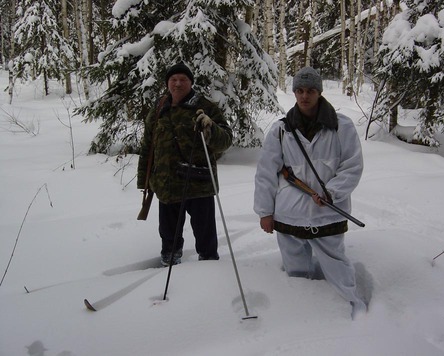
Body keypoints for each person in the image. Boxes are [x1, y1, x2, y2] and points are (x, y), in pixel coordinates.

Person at [253, 67, 367, 319]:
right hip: (288, 215)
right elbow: (265, 174)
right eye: (300, 91)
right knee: (295, 268)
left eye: (311, 90)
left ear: (319, 92)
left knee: (336, 263)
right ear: (294, 92)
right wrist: (265, 212)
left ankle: (353, 304)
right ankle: (302, 315)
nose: (305, 96)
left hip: (328, 214)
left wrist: (332, 193)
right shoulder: (280, 130)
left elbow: (352, 165)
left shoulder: (341, 126)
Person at [137, 62, 233, 266]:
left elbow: (226, 140)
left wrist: (210, 128)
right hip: (166, 185)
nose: (178, 84)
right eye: (173, 80)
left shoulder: (205, 107)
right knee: (168, 235)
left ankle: (209, 267)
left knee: (205, 235)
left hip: (199, 184)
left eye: (183, 80)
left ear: (191, 83)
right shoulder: (159, 108)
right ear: (167, 83)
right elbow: (147, 145)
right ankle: (170, 261)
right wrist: (144, 181)